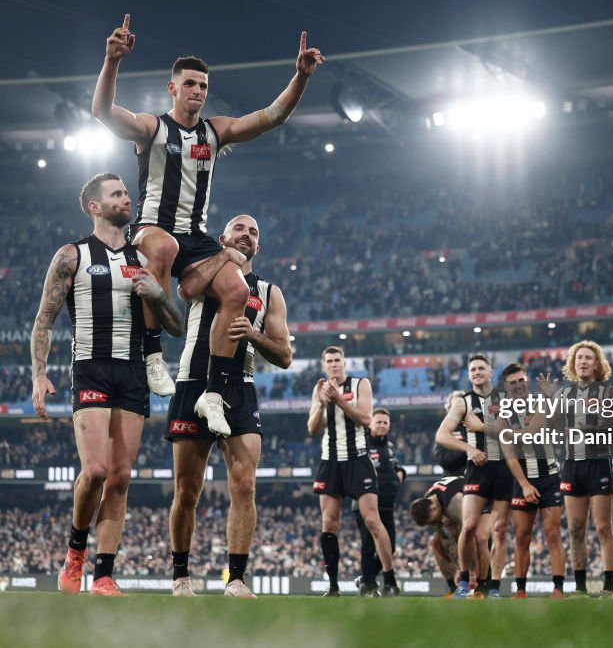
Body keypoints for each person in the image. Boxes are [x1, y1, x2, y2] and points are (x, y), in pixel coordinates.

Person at [92, 14, 322, 430]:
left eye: (203, 86)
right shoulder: (151, 128)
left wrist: (301, 77)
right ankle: (152, 355)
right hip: (152, 229)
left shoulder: (215, 132)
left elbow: (272, 116)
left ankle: (213, 394)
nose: (198, 91)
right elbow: (103, 111)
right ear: (173, 88)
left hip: (195, 238)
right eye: (190, 84)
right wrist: (112, 61)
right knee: (165, 246)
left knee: (238, 289)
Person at [31, 173, 183, 597]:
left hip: (132, 372)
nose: (126, 198)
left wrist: (157, 294)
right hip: (91, 368)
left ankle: (103, 575)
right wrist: (39, 373)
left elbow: (175, 326)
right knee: (95, 470)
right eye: (117, 194)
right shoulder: (72, 255)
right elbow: (44, 319)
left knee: (120, 477)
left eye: (127, 193)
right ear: (95, 207)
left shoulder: (143, 257)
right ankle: (75, 551)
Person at [163, 214, 291, 597]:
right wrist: (223, 257)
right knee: (187, 489)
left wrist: (253, 334)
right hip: (192, 382)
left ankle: (235, 579)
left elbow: (284, 355)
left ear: (259, 246)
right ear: (223, 238)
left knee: (245, 485)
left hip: (239, 388)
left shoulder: (269, 292)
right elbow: (185, 290)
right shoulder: (205, 272)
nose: (246, 234)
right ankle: (181, 577)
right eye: (239, 228)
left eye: (253, 232)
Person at [307, 347, 399, 597]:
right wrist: (321, 404)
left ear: (344, 363)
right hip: (330, 461)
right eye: (329, 361)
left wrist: (339, 400)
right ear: (324, 365)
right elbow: (312, 428)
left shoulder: (360, 384)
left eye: (337, 360)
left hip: (357, 459)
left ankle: (390, 580)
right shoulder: (319, 389)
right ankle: (333, 586)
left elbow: (366, 419)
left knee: (372, 520)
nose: (334, 364)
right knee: (329, 523)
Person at [435, 354, 512, 599]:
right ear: (469, 376)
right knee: (468, 527)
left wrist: (481, 428)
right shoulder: (463, 403)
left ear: (491, 372)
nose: (477, 372)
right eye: (473, 370)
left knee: (497, 532)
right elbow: (441, 436)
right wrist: (469, 449)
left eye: (481, 368)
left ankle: (493, 586)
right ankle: (464, 581)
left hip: (504, 469)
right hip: (476, 472)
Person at [552, 340, 613, 598]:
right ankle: (580, 588)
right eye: (579, 358)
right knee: (575, 529)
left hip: (598, 463)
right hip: (571, 465)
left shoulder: (608, 392)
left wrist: (587, 430)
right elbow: (551, 426)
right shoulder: (563, 394)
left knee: (603, 527)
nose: (583, 361)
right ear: (573, 363)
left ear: (597, 364)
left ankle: (609, 588)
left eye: (588, 358)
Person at [499, 364, 566, 599]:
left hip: (549, 476)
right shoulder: (503, 414)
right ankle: (520, 590)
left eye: (521, 380)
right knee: (521, 537)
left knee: (553, 534)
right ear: (506, 387)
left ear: (527, 381)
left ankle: (558, 589)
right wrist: (525, 484)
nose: (518, 385)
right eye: (513, 382)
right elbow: (509, 455)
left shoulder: (542, 403)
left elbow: (535, 432)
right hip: (523, 479)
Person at [354, 408, 406, 596]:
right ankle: (368, 585)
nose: (382, 425)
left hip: (387, 504)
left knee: (389, 547)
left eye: (385, 422)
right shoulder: (362, 446)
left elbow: (396, 467)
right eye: (379, 422)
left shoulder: (389, 447)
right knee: (368, 546)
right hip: (366, 505)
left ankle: (366, 579)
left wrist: (399, 476)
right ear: (370, 424)